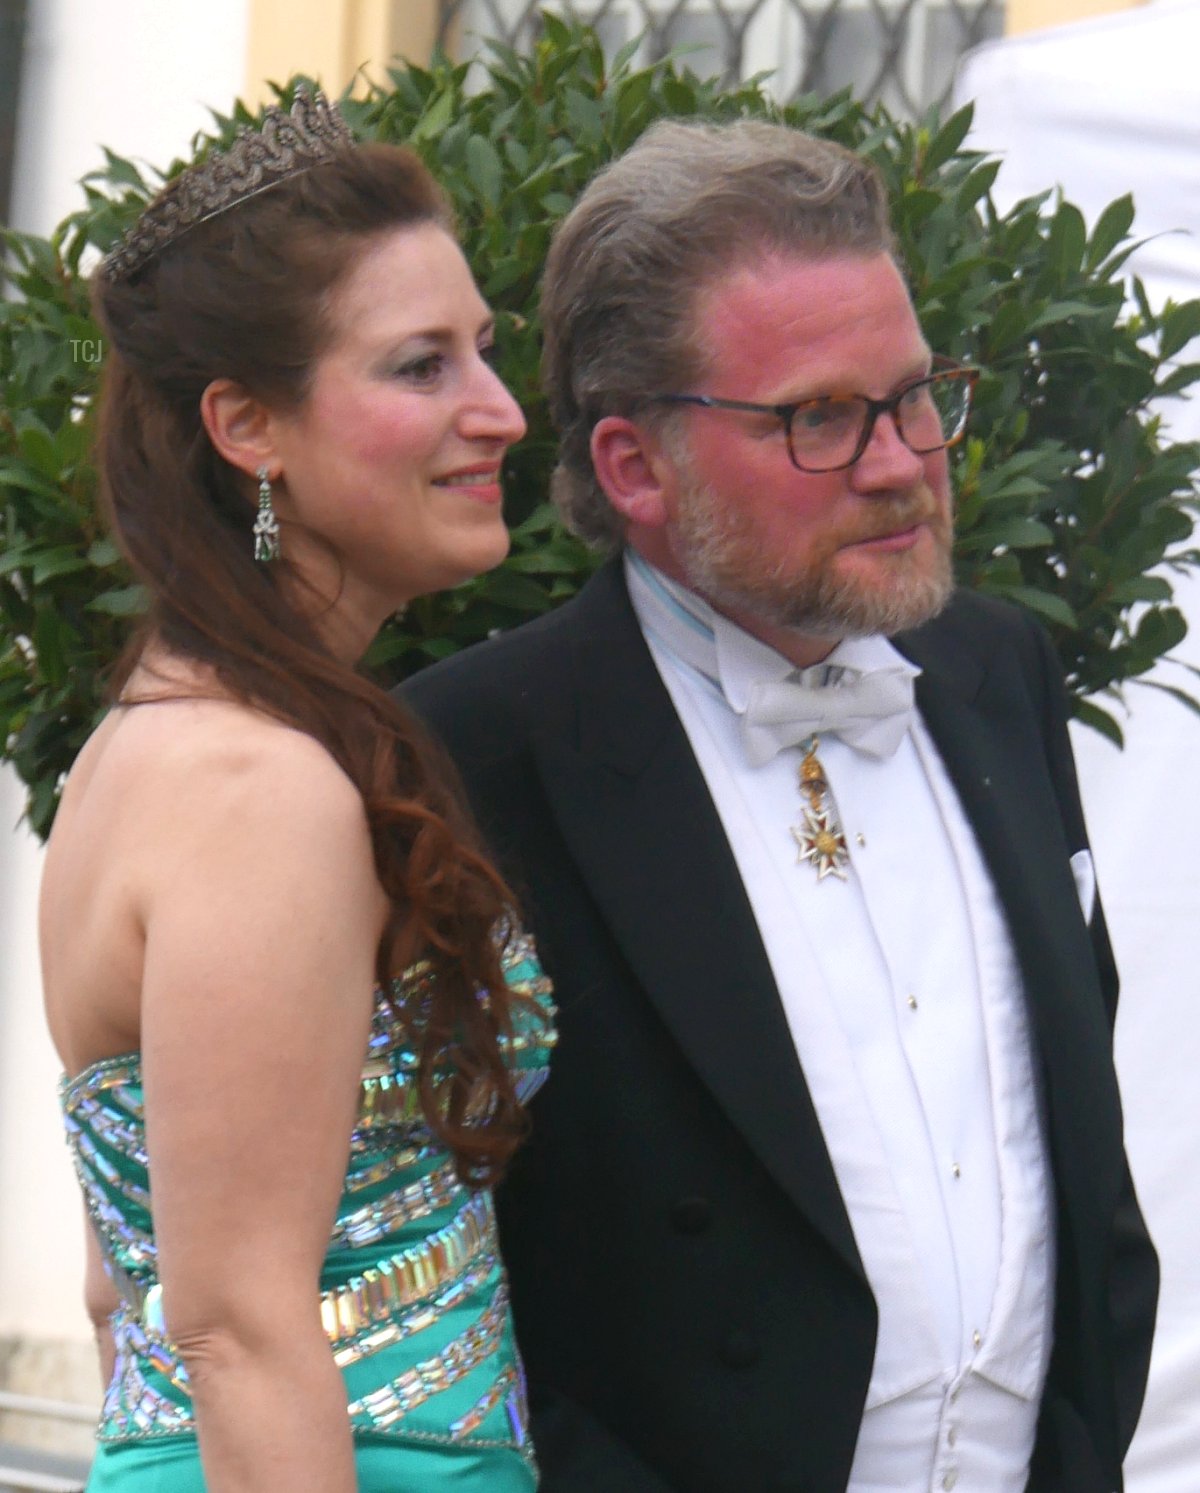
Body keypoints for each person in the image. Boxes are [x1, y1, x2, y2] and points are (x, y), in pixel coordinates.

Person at [405, 118, 1158, 1493]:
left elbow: (1080, 1160)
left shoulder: (999, 672)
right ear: (635, 468)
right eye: (821, 416)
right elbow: (438, 1302)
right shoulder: (469, 758)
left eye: (918, 395)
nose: (902, 461)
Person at [40, 92, 554, 1493]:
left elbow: (120, 1289)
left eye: (486, 353)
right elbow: (236, 1326)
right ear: (247, 425)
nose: (498, 412)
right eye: (420, 366)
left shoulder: (170, 739)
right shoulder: (251, 784)